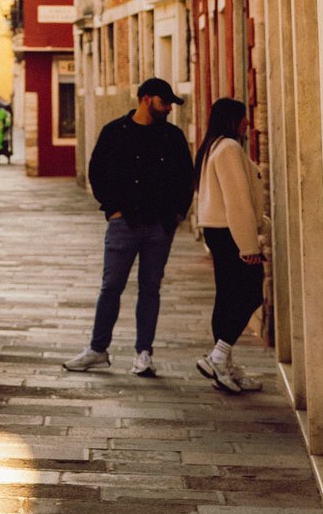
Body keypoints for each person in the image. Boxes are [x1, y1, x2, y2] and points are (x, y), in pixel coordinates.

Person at [64, 77, 195, 378]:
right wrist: (114, 210)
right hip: (123, 224)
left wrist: (177, 214)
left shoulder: (172, 137)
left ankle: (144, 354)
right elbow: (97, 171)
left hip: (160, 226)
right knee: (111, 287)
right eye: (165, 103)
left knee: (151, 289)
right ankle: (98, 349)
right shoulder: (114, 132)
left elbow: (186, 176)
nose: (169, 110)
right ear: (146, 100)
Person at [193, 98, 267, 394]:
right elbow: (237, 201)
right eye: (243, 118)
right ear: (231, 119)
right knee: (251, 292)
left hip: (218, 231)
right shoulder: (229, 148)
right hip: (230, 233)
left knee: (227, 296)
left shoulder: (213, 146)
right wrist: (249, 245)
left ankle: (225, 367)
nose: (247, 123)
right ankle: (218, 356)